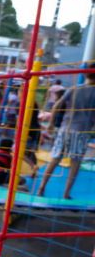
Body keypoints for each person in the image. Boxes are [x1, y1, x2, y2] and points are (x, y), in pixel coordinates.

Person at [37, 65, 95, 199]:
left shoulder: (74, 89)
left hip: (66, 128)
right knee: (75, 163)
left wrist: (51, 123)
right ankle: (66, 193)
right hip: (82, 131)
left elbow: (57, 104)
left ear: (86, 75)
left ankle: (41, 188)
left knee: (55, 159)